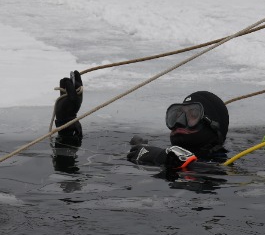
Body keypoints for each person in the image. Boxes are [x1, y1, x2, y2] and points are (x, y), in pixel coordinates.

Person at [52, 70, 236, 182]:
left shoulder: (224, 166)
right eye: (177, 114)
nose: (179, 123)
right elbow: (78, 164)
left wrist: (163, 158)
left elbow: (220, 173)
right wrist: (65, 125)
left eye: (192, 116)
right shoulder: (154, 150)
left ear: (212, 125)